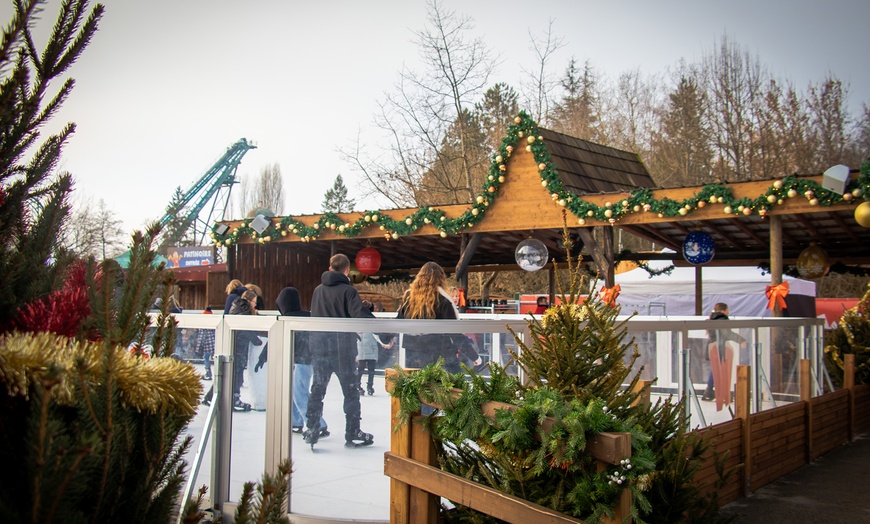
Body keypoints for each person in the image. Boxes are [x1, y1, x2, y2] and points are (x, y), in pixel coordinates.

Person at [305, 254, 376, 449]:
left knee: (317, 389)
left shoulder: (318, 290)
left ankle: (312, 428)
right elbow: (359, 315)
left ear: (330, 268)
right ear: (347, 270)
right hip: (342, 349)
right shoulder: (348, 291)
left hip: (320, 348)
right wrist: (383, 330)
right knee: (350, 391)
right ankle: (353, 431)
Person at [396, 261, 482, 374]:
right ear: (441, 279)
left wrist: (386, 340)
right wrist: (475, 357)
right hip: (437, 354)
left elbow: (398, 322)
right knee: (447, 380)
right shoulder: (443, 300)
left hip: (413, 354)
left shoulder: (409, 298)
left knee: (417, 383)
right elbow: (455, 333)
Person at [275, 286, 329, 438]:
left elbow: (278, 338)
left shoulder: (288, 318)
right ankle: (296, 421)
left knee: (299, 392)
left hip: (303, 361)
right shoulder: (308, 316)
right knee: (294, 391)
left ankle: (317, 423)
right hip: (309, 359)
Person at [203, 289, 259, 412]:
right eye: (254, 302)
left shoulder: (238, 307)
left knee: (229, 373)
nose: (255, 305)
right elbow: (245, 329)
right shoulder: (244, 310)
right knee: (235, 374)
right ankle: (233, 398)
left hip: (234, 344)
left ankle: (212, 396)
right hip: (238, 347)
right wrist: (257, 340)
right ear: (249, 300)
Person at [702, 303, 747, 406]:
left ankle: (709, 391)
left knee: (716, 370)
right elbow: (727, 333)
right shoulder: (722, 319)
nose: (728, 312)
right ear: (723, 311)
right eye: (727, 310)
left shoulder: (712, 319)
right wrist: (741, 340)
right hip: (719, 348)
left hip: (712, 347)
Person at [356, 300, 386, 397]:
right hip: (362, 350)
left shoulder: (371, 321)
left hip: (370, 349)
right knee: (361, 370)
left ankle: (369, 386)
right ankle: (358, 385)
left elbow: (377, 335)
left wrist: (383, 343)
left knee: (370, 370)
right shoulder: (359, 321)